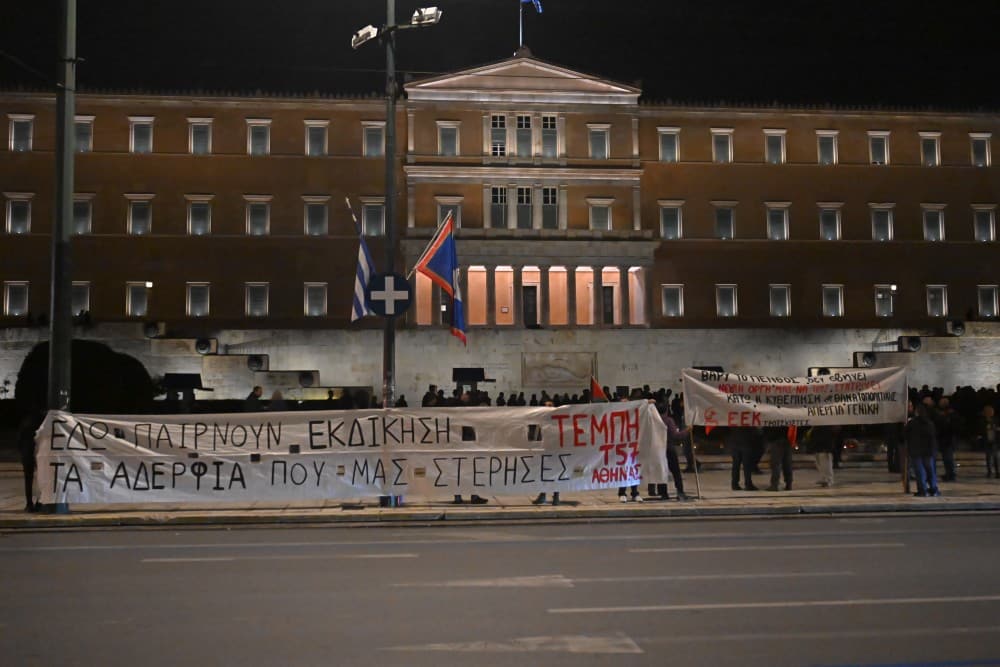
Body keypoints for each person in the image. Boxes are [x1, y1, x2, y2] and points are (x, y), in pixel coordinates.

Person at [906, 401, 940, 497]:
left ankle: (923, 490)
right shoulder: (929, 423)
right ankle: (933, 489)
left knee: (920, 471)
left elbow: (905, 435)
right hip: (928, 451)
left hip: (916, 450)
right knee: (930, 470)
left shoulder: (912, 423)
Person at [17, 410, 45, 512]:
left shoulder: (26, 423)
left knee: (28, 479)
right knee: (42, 478)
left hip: (27, 453)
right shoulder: (43, 423)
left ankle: (29, 503)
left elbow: (19, 440)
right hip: (38, 453)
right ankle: (40, 502)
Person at [727, 427, 758, 491]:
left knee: (736, 465)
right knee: (747, 465)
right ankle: (748, 484)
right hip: (745, 443)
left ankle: (734, 484)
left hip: (735, 443)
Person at [765, 426, 793, 491]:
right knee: (787, 464)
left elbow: (768, 429)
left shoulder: (774, 419)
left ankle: (774, 485)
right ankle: (789, 484)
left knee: (776, 464)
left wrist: (768, 439)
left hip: (776, 441)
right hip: (787, 440)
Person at [978, 404, 999, 479]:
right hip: (987, 440)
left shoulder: (996, 420)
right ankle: (989, 472)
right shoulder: (982, 421)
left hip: (995, 440)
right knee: (988, 457)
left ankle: (997, 472)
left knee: (996, 457)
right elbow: (980, 430)